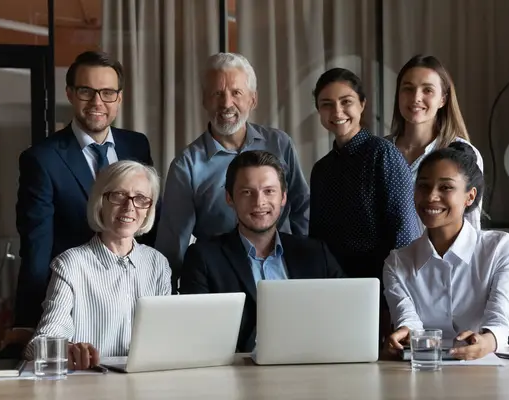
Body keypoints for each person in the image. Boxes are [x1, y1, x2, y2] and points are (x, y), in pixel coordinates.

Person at [9, 51, 157, 348]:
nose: (97, 102)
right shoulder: (42, 159)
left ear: (119, 97)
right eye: (86, 91)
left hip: (133, 299)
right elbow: (36, 246)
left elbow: (146, 223)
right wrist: (26, 322)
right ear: (70, 94)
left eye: (107, 92)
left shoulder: (137, 144)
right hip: (74, 303)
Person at [156, 52, 310, 291]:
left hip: (284, 276)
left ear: (253, 99)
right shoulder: (187, 165)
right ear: (205, 100)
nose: (226, 103)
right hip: (224, 282)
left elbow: (302, 207)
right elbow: (173, 243)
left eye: (236, 93)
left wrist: (300, 259)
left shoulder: (279, 144)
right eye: (217, 93)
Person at [179, 150, 344, 352]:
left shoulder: (316, 254)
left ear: (283, 197)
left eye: (269, 191)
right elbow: (197, 336)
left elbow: (344, 315)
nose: (259, 202)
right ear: (230, 198)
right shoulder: (203, 258)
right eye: (247, 192)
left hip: (310, 369)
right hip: (237, 376)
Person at [23, 161, 170, 369]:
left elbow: (166, 338)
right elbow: (37, 345)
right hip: (90, 385)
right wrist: (67, 349)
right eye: (118, 195)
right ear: (101, 201)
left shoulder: (158, 264)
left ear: (149, 209)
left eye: (140, 199)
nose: (129, 207)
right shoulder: (70, 264)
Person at [384, 142, 509, 361]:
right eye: (423, 186)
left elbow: (500, 321)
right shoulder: (397, 262)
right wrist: (406, 333)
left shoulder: (501, 248)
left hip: (487, 367)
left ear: (470, 196)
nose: (431, 197)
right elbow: (408, 318)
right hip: (424, 367)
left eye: (446, 187)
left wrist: (486, 341)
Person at [309, 67, 420, 283]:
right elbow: (317, 241)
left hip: (382, 285)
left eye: (346, 102)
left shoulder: (383, 154)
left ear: (362, 104)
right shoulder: (321, 170)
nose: (337, 112)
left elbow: (404, 233)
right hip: (332, 285)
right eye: (327, 105)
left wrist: (397, 296)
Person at [385, 54, 484, 231]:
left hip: (442, 257)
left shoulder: (462, 153)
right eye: (408, 89)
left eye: (427, 90)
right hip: (387, 257)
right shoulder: (380, 151)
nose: (416, 97)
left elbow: (471, 226)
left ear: (443, 99)